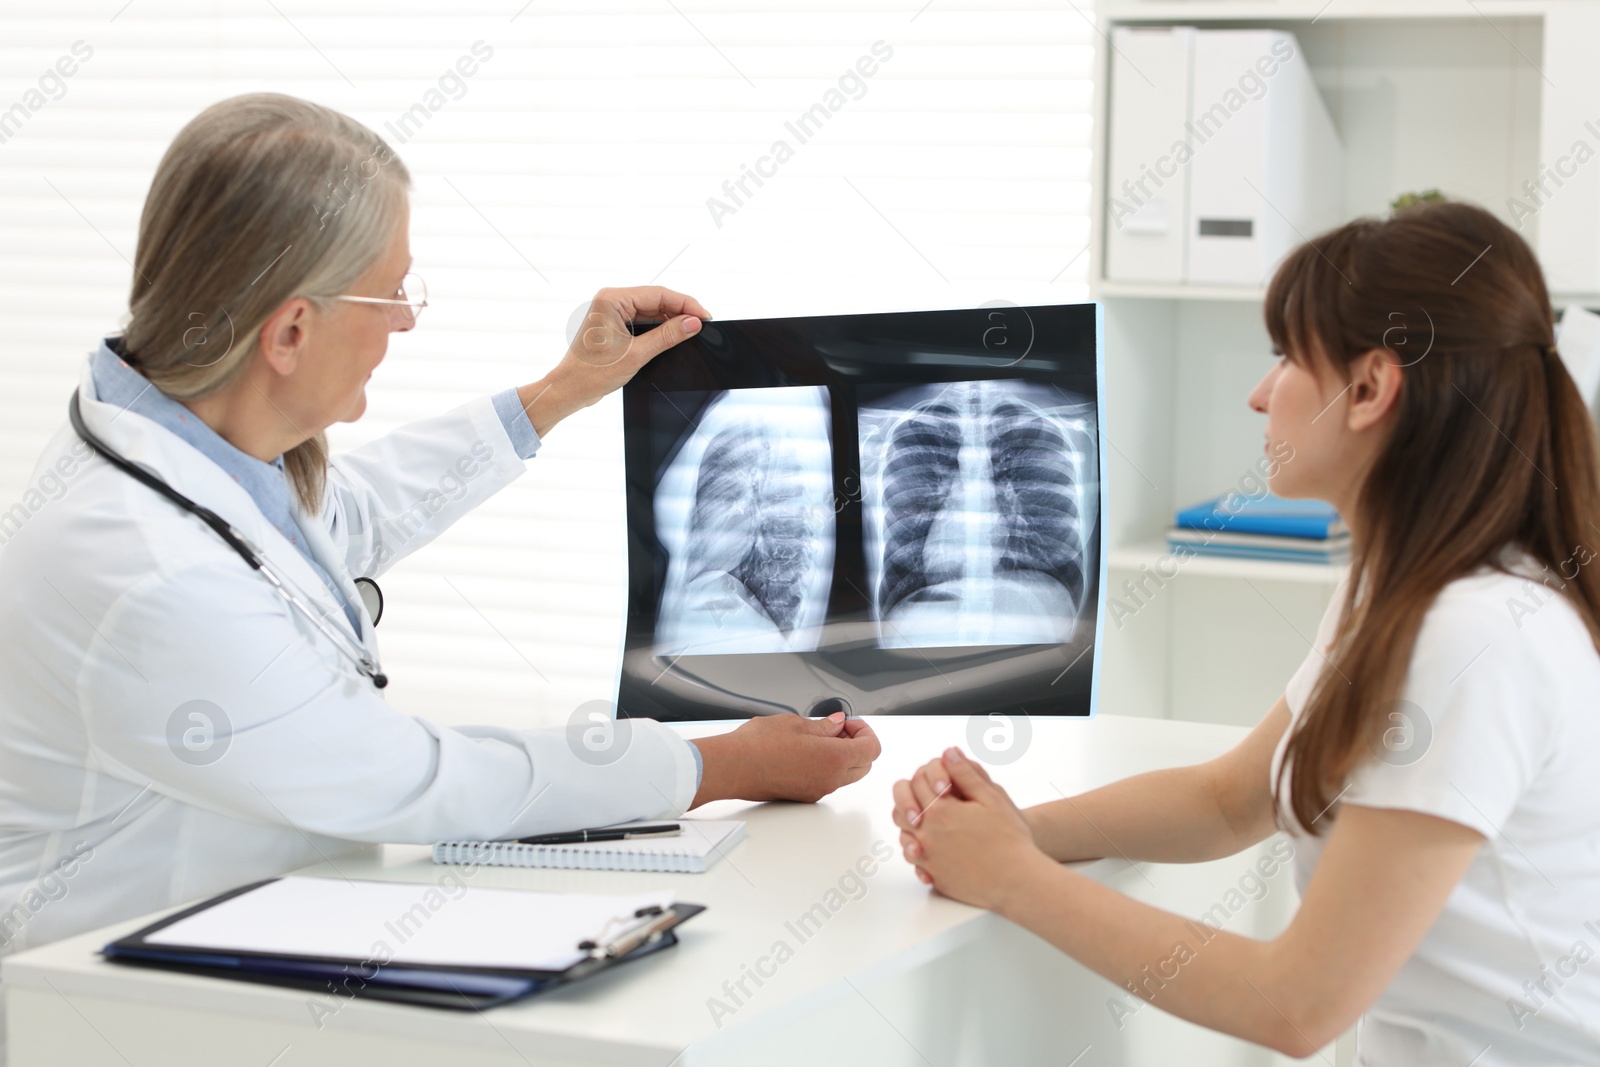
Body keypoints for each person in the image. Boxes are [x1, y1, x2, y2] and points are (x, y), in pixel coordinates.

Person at [0, 93, 879, 969]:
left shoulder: (183, 435)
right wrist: (720, 765)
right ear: (292, 329)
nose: (407, 320)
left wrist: (563, 390)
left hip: (233, 945)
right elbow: (413, 777)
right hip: (106, 999)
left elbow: (340, 518)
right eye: (390, 294)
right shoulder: (146, 568)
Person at [893, 200, 1600, 1064]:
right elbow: (1232, 797)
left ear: (1372, 387)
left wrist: (1012, 875)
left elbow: (1295, 1005)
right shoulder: (1396, 590)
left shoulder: (1469, 632)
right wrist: (1011, 829)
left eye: (1283, 358)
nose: (1259, 393)